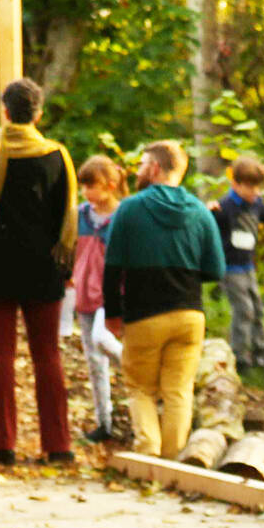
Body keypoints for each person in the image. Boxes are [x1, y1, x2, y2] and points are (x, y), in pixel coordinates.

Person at [0, 77, 78, 466]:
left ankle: (3, 444)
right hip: (43, 267)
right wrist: (66, 269)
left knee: (0, 356)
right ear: (38, 113)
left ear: (4, 111)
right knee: (48, 356)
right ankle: (59, 446)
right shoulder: (57, 155)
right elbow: (67, 220)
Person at [102, 142, 226, 459]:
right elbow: (216, 269)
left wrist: (113, 313)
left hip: (144, 313)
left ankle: (147, 453)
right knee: (178, 390)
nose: (139, 170)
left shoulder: (129, 209)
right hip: (189, 314)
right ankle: (173, 462)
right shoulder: (200, 211)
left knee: (140, 388)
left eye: (143, 164)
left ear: (155, 168)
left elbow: (113, 266)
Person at [211, 155, 264, 377]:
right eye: (250, 187)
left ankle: (261, 353)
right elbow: (207, 225)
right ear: (236, 184)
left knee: (257, 309)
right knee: (244, 311)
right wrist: (208, 211)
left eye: (258, 187)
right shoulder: (224, 207)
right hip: (230, 268)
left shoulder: (257, 204)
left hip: (248, 266)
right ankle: (240, 357)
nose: (255, 192)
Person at [72, 155, 127, 444]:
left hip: (110, 295)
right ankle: (104, 421)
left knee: (101, 340)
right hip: (84, 293)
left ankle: (136, 370)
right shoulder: (80, 214)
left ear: (110, 185)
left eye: (90, 186)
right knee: (94, 362)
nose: (86, 193)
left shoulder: (121, 216)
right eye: (83, 187)